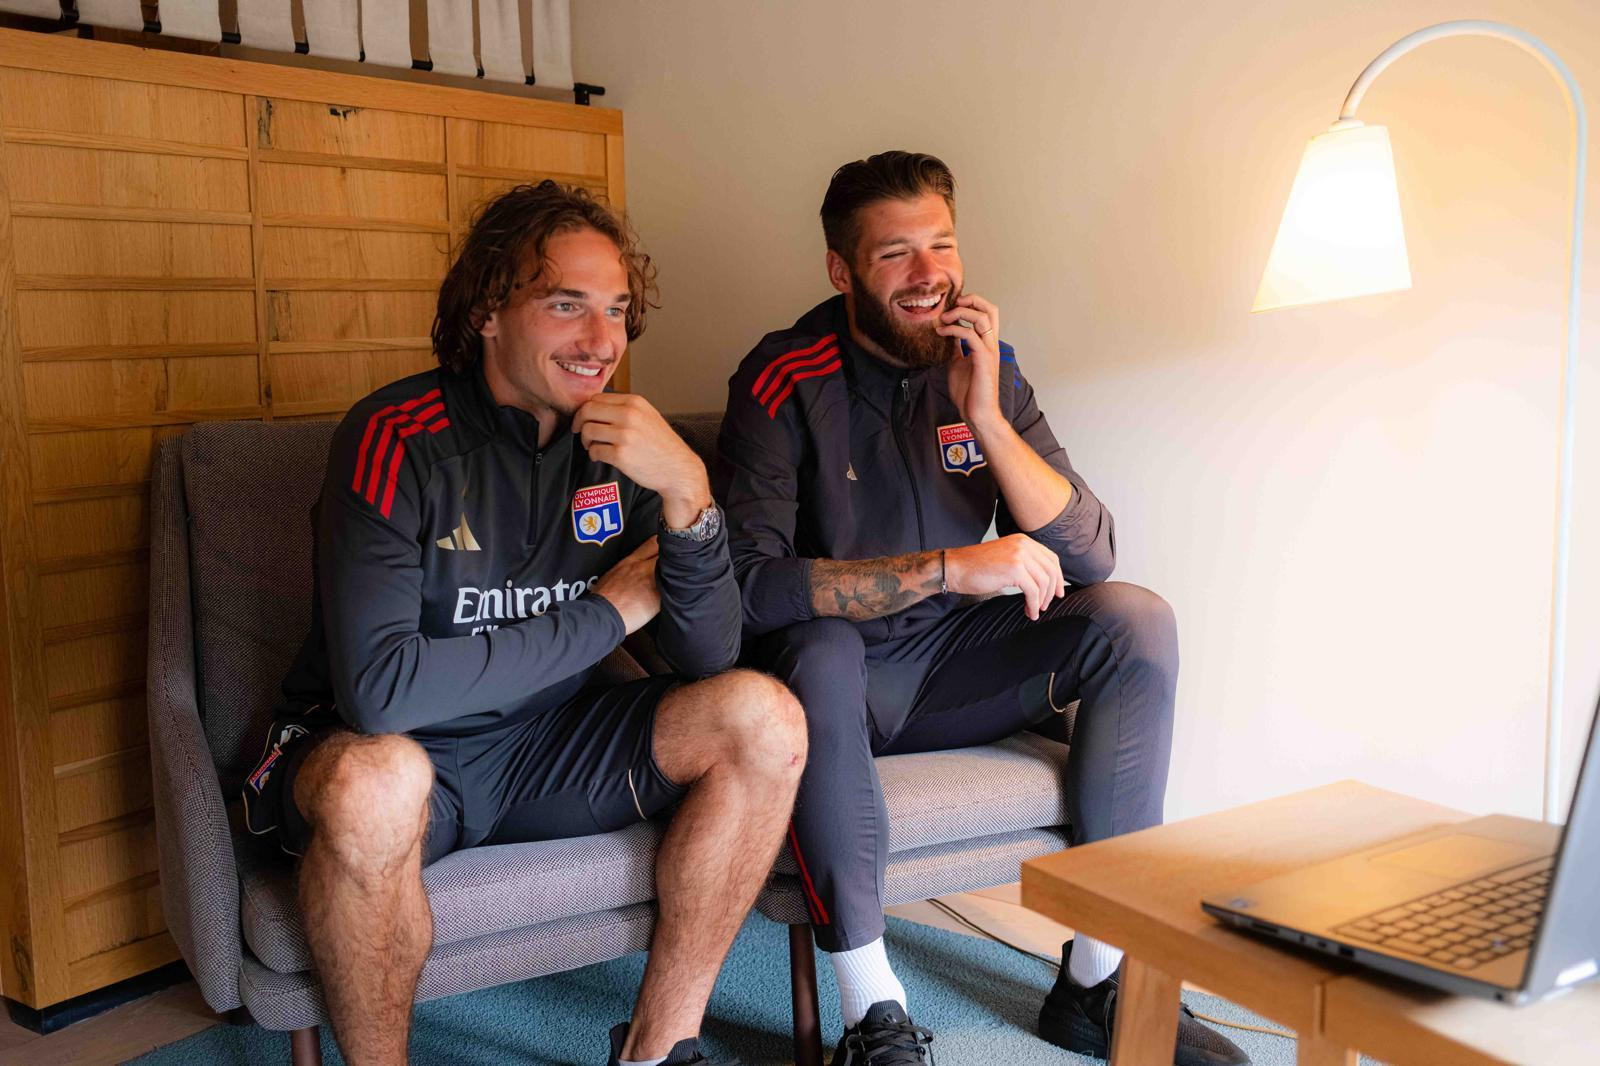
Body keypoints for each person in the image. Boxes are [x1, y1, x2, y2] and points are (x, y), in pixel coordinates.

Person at [244, 181, 805, 1066]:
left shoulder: (623, 445)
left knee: (763, 716)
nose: (601, 341)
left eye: (615, 310)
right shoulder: (395, 436)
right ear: (487, 313)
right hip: (398, 751)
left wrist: (690, 496)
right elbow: (383, 692)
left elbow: (709, 657)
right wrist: (603, 615)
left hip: (549, 744)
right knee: (375, 783)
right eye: (566, 305)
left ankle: (659, 1050)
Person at [714, 152, 1247, 1066]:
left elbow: (1090, 553)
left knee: (1135, 620)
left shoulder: (985, 364)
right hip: (835, 686)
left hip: (954, 672)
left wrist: (989, 417)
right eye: (895, 254)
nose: (929, 274)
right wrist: (947, 569)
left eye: (943, 245)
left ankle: (1096, 983)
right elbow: (750, 588)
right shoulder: (781, 377)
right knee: (822, 649)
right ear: (841, 270)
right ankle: (872, 1012)